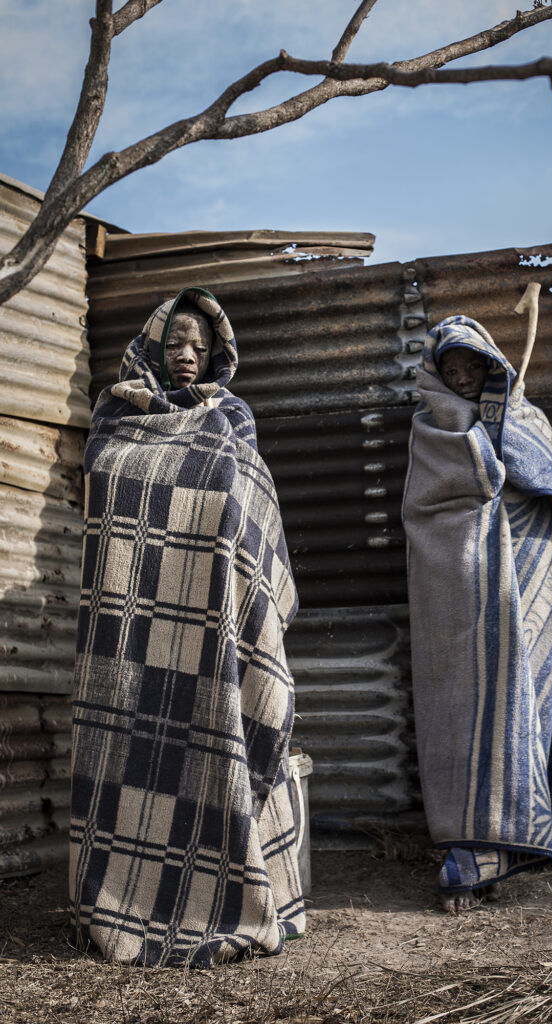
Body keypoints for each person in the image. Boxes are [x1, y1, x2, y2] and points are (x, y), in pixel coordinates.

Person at [70, 287, 305, 965]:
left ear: (217, 354)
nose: (186, 357)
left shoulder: (233, 417)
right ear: (151, 344)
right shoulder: (116, 417)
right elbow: (107, 503)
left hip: (210, 628)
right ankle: (126, 901)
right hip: (129, 632)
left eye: (199, 347)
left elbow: (250, 511)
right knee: (131, 756)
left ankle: (220, 900)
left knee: (218, 743)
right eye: (175, 343)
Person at [402, 315, 552, 914]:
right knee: (467, 715)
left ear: (494, 365)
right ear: (437, 374)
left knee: (527, 704)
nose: (465, 376)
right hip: (458, 598)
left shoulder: (525, 419)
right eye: (453, 368)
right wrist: (482, 471)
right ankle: (474, 840)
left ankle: (516, 841)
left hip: (528, 581)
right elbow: (428, 514)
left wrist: (503, 469)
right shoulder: (429, 429)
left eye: (475, 365)